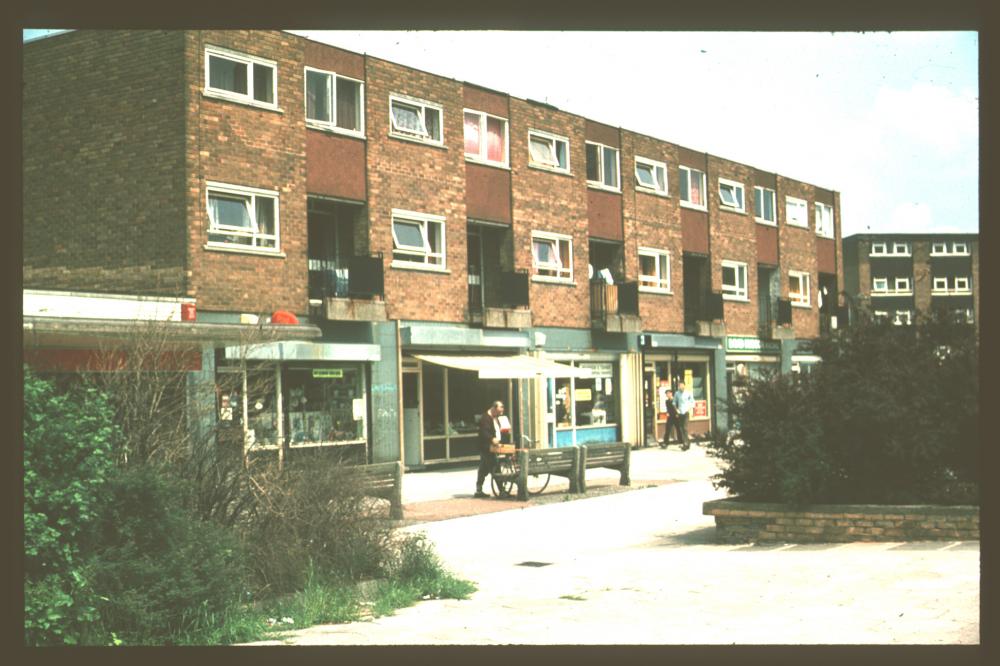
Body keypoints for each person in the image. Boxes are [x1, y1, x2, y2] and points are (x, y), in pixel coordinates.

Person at [475, 400, 504, 498]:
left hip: (492, 447)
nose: (501, 412)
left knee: (483, 469)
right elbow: (484, 433)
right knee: (495, 467)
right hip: (487, 448)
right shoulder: (485, 418)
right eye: (500, 409)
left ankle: (478, 490)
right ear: (494, 408)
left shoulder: (495, 418)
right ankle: (502, 490)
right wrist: (492, 439)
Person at [673, 381, 694, 450]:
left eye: (682, 385)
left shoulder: (688, 393)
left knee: (684, 428)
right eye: (679, 385)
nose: (681, 387)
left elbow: (692, 402)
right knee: (681, 429)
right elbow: (674, 403)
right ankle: (687, 442)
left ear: (684, 386)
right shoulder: (677, 393)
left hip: (686, 412)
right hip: (680, 413)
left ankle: (685, 443)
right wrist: (677, 410)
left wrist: (689, 409)